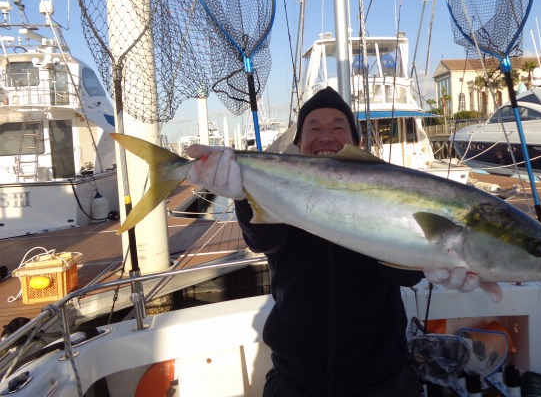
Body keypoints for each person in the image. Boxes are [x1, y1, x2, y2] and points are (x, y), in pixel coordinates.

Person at [187, 87, 484, 396]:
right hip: (295, 377)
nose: (326, 135)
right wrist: (243, 198)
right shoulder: (279, 194)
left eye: (338, 127)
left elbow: (403, 273)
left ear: (356, 144)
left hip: (382, 378)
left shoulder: (390, 196)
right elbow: (264, 240)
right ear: (299, 144)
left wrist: (440, 257)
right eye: (313, 128)